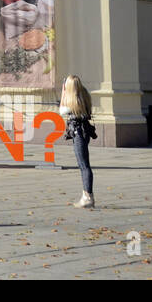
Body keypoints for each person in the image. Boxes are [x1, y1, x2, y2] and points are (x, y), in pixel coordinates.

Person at [60, 74, 98, 208]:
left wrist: (63, 93)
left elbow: (61, 111)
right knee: (84, 165)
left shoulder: (72, 100)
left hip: (78, 134)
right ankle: (87, 196)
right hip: (85, 131)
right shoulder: (84, 95)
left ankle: (88, 197)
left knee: (84, 165)